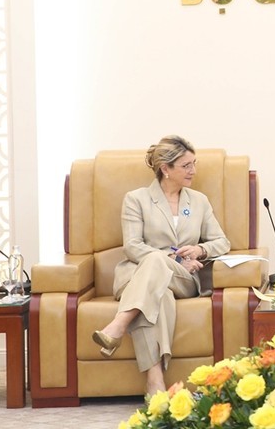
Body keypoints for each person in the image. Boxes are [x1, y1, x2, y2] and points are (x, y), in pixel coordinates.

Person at [92, 135, 231, 395]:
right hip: (137, 277)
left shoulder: (198, 201)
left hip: (184, 280)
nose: (193, 171)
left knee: (158, 267)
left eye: (194, 164)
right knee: (159, 297)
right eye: (186, 166)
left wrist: (201, 249)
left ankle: (118, 325)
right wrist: (172, 259)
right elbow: (132, 246)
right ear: (165, 169)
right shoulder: (136, 199)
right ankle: (155, 382)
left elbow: (222, 242)